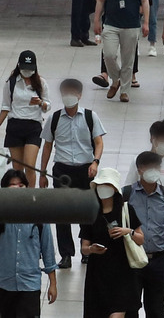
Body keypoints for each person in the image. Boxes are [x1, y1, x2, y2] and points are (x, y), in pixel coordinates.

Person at [40, 78, 106, 269]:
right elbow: (47, 146)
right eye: (65, 92)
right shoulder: (54, 118)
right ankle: (66, 254)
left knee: (86, 211)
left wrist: (95, 162)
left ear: (79, 95)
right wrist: (43, 172)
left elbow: (99, 142)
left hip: (85, 169)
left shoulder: (89, 116)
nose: (69, 96)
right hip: (62, 170)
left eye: (73, 92)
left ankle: (86, 249)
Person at [124, 151, 164, 318]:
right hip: (133, 260)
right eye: (148, 167)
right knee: (130, 309)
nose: (153, 170)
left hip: (158, 260)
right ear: (139, 169)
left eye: (156, 166)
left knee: (156, 310)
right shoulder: (127, 194)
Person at [80, 167, 145, 318]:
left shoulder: (126, 210)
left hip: (123, 273)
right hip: (97, 274)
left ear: (115, 189)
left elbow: (141, 238)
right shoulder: (90, 214)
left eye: (107, 185)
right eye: (100, 185)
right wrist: (91, 249)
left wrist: (127, 231)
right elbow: (84, 247)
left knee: (117, 314)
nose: (103, 189)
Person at [94, 0, 151, 103]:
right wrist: (96, 19)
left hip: (131, 25)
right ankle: (116, 79)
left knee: (128, 59)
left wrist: (146, 22)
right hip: (111, 24)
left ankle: (124, 91)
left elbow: (145, 0)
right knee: (109, 55)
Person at [0, 170, 58, 318]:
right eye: (12, 185)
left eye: (21, 185)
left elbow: (48, 251)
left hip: (30, 285)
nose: (17, 188)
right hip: (4, 284)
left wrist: (53, 284)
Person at [0, 50, 51, 188]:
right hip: (15, 125)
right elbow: (5, 106)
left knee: (30, 165)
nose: (27, 72)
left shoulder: (41, 82)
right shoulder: (11, 82)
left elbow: (47, 105)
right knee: (18, 169)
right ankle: (18, 198)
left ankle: (31, 196)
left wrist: (40, 102)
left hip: (33, 126)